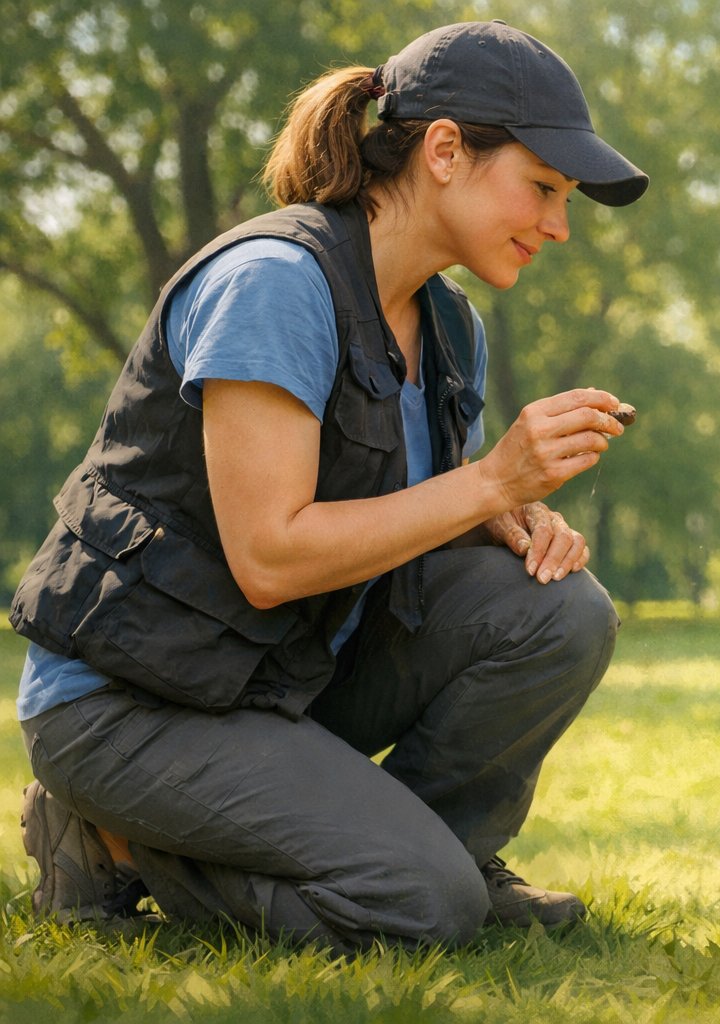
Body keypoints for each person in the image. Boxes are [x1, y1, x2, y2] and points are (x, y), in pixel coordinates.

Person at [9, 20, 647, 953]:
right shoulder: (274, 284)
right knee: (419, 909)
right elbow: (270, 557)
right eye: (543, 187)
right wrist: (487, 480)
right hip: (132, 703)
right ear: (442, 151)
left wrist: (506, 517)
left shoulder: (449, 325)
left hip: (278, 671)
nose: (558, 223)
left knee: (560, 610)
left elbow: (413, 516)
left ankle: (443, 853)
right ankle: (114, 843)